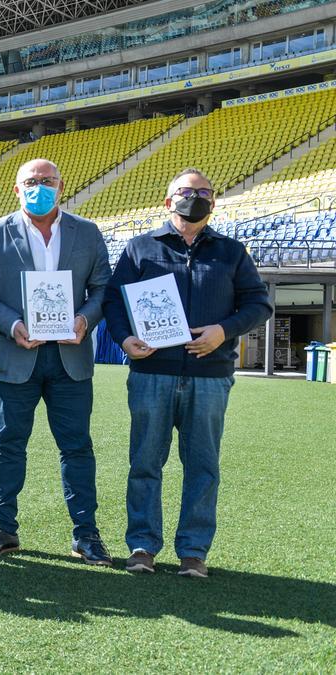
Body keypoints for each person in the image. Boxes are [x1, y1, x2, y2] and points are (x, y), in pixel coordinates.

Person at [103, 168, 271, 578]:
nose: (194, 197)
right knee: (145, 462)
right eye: (185, 191)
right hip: (151, 372)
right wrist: (125, 341)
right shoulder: (140, 248)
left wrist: (222, 331)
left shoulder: (232, 252)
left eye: (203, 192)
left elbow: (258, 305)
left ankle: (193, 551)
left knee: (202, 466)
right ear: (167, 201)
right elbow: (113, 302)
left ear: (213, 203)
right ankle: (142, 546)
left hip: (210, 376)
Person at [0, 158, 114, 565]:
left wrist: (85, 319)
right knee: (8, 445)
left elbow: (103, 288)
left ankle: (86, 534)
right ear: (16, 190)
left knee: (77, 448)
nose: (39, 187)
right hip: (16, 356)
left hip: (70, 357)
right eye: (31, 181)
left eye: (47, 180)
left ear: (61, 185)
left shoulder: (86, 232)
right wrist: (12, 325)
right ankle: (3, 528)